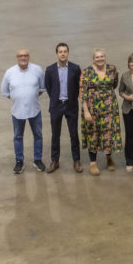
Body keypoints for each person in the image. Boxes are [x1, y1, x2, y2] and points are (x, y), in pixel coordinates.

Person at [0, 48, 45, 174]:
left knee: (38, 135)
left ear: (29, 57)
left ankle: (37, 160)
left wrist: (30, 97)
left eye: (25, 55)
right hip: (17, 111)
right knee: (18, 137)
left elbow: (41, 88)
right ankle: (19, 161)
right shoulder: (10, 72)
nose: (23, 58)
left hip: (34, 110)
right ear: (17, 58)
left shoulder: (37, 70)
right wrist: (18, 98)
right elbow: (6, 91)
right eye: (20, 56)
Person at [80, 49, 121, 176]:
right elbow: (82, 93)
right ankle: (93, 162)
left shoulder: (112, 69)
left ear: (105, 57)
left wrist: (107, 96)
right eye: (97, 57)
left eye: (102, 56)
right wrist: (86, 111)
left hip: (109, 108)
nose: (100, 59)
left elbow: (114, 84)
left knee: (108, 131)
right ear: (93, 59)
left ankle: (109, 158)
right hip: (93, 108)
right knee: (93, 133)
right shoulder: (86, 72)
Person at [43, 42, 82, 174]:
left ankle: (76, 160)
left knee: (73, 134)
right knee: (55, 135)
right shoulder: (50, 70)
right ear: (57, 54)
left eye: (65, 51)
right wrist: (56, 98)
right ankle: (55, 161)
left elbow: (78, 87)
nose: (63, 54)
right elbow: (48, 87)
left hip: (71, 105)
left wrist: (71, 98)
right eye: (60, 51)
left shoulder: (75, 69)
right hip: (56, 106)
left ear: (68, 53)